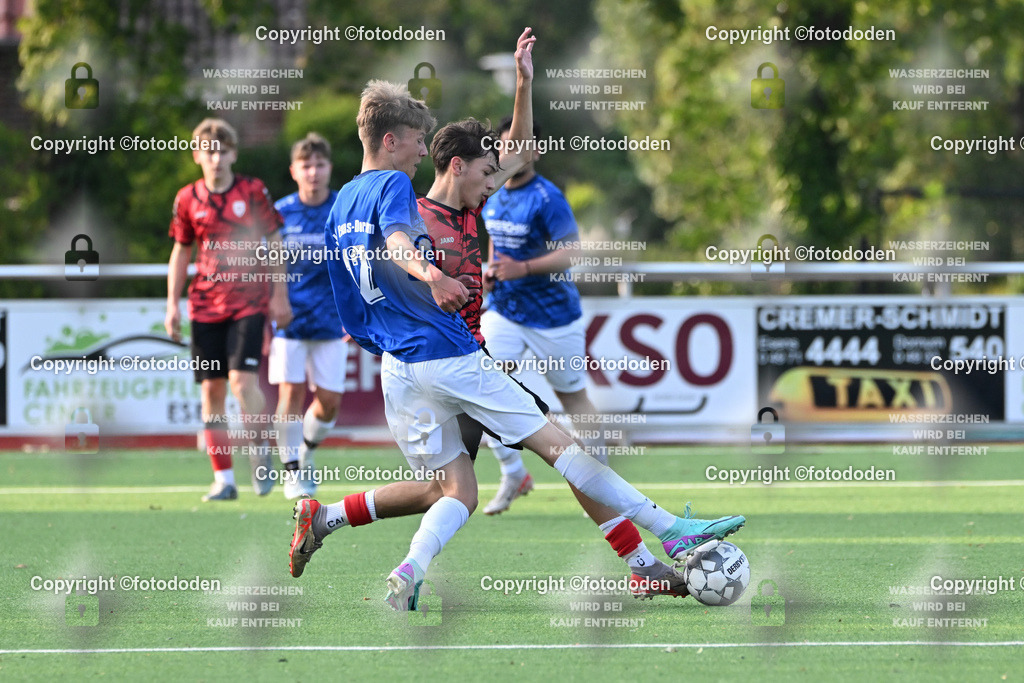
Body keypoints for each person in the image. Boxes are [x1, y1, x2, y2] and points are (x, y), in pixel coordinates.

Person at [290, 28, 745, 612]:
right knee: (562, 449)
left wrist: (525, 84)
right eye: (486, 172)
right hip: (452, 357)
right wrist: (432, 278)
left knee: (448, 490)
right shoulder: (405, 203)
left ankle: (327, 519)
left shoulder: (433, 202)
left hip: (409, 364)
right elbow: (403, 247)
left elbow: (518, 150)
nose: (496, 180)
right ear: (453, 165)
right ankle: (653, 547)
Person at [479, 117, 606, 515]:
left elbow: (572, 252)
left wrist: (525, 267)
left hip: (554, 317)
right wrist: (488, 270)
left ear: (536, 151)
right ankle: (514, 471)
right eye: (506, 146)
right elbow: (495, 244)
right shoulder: (492, 193)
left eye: (522, 145)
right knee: (485, 386)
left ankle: (601, 478)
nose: (514, 152)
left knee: (574, 399)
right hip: (505, 310)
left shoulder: (548, 198)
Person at [166, 118, 292, 501]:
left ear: (233, 154)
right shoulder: (187, 198)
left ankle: (259, 446)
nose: (215, 158)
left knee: (242, 383)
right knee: (212, 391)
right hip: (204, 307)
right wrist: (172, 303)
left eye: (222, 151)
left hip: (248, 302)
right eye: (208, 151)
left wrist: (279, 295)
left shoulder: (253, 191)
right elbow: (181, 251)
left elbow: (275, 243)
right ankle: (224, 479)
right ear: (196, 156)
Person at [270, 133, 346, 499]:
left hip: (332, 320)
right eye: (306, 165)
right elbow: (268, 263)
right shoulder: (280, 212)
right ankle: (291, 472)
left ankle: (306, 452)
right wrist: (275, 301)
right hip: (290, 320)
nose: (313, 172)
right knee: (290, 392)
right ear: (293, 171)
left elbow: (356, 263)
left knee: (329, 401)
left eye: (319, 164)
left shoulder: (341, 208)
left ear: (329, 168)